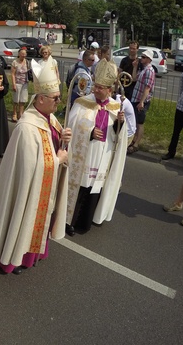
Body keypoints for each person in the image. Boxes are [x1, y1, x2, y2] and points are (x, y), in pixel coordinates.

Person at [0, 59, 72, 274]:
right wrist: (58, 160)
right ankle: (12, 257)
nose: (59, 102)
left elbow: (53, 146)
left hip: (42, 188)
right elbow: (31, 170)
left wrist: (63, 137)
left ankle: (32, 252)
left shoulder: (50, 118)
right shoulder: (27, 127)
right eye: (55, 98)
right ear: (42, 98)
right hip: (28, 188)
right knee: (22, 214)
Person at [65, 59, 128, 235]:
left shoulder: (116, 107)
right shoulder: (82, 102)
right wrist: (89, 132)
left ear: (110, 90)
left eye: (101, 87)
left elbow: (118, 138)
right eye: (96, 86)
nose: (96, 89)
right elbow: (72, 125)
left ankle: (85, 222)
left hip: (103, 155)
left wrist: (120, 123)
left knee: (95, 188)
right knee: (80, 186)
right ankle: (69, 221)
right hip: (85, 152)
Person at [161, 53, 183, 167]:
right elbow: (181, 90)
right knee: (176, 132)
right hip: (181, 108)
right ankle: (171, 152)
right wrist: (180, 101)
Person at [128, 49, 156, 155]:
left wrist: (142, 102)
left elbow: (147, 88)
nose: (141, 58)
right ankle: (134, 140)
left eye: (143, 57)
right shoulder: (143, 69)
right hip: (136, 98)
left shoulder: (149, 70)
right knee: (136, 121)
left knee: (140, 122)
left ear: (149, 59)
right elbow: (134, 78)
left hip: (141, 100)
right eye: (142, 56)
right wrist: (135, 67)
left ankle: (136, 144)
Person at [10, 48, 30, 122]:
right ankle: (14, 113)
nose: (23, 55)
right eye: (22, 54)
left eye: (24, 54)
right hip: (17, 82)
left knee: (23, 99)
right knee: (16, 100)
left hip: (25, 83)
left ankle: (20, 113)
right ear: (19, 54)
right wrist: (14, 84)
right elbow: (12, 74)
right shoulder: (15, 62)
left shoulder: (27, 62)